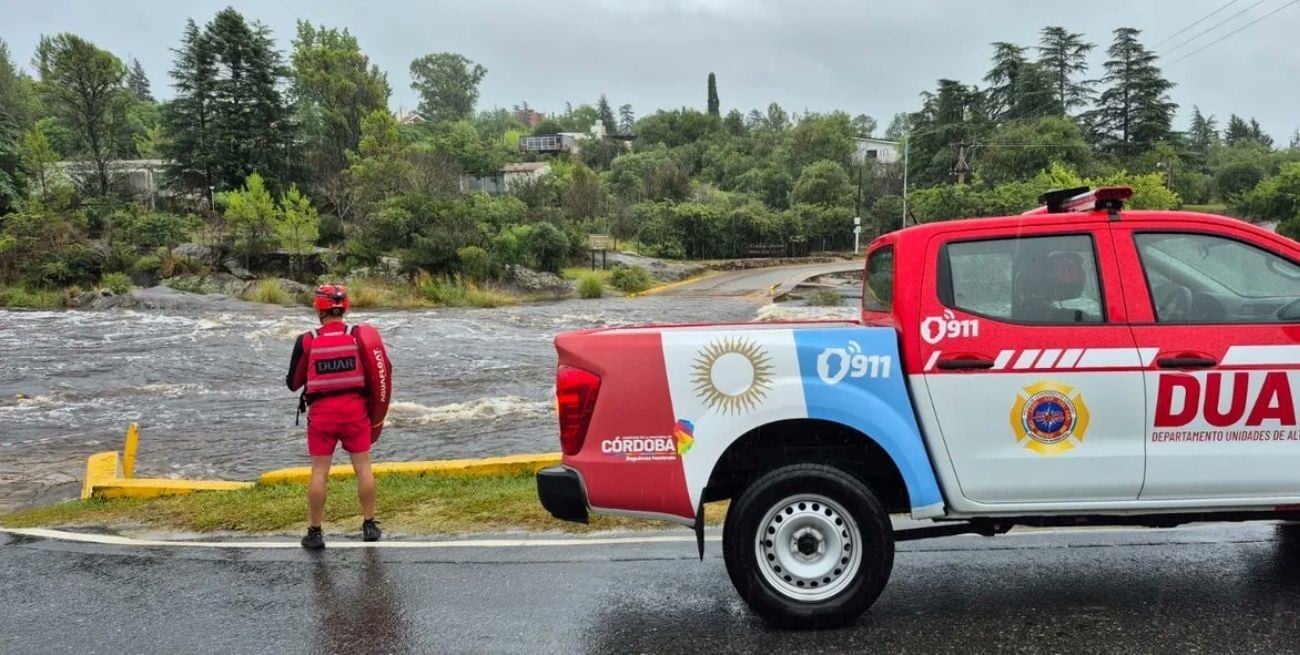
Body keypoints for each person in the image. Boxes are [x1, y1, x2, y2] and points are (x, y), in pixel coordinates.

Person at [287, 284, 393, 549]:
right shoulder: (358, 336)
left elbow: (293, 383)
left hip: (322, 416)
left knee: (319, 473)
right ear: (345, 307)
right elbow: (382, 371)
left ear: (319, 308)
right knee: (363, 468)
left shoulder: (307, 340)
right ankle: (369, 525)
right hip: (355, 413)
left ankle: (315, 532)